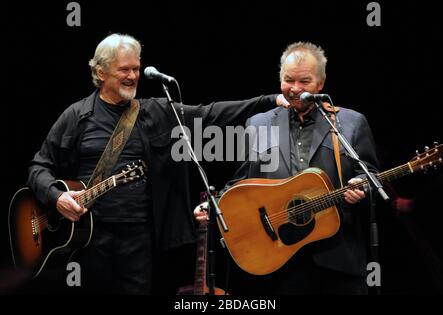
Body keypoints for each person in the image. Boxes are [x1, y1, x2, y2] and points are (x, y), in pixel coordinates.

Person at [26, 33, 287, 294]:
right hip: (87, 241)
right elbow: (38, 167)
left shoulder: (157, 111)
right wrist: (57, 196)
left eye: (136, 68)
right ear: (101, 72)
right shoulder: (77, 116)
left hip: (139, 240)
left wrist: (268, 101)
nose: (133, 76)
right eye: (124, 69)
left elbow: (210, 114)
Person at [194, 41, 380, 294]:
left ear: (321, 83)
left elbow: (369, 175)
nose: (295, 89)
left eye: (304, 81)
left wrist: (362, 186)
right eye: (288, 80)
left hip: (338, 257)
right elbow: (241, 183)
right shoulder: (258, 123)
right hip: (279, 258)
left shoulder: (351, 123)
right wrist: (215, 205)